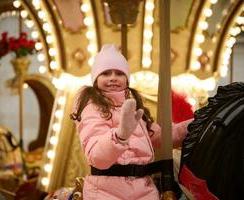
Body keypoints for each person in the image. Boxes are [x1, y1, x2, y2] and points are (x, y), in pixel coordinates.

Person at [70, 44, 192, 200]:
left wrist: (196, 124)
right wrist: (120, 135)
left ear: (126, 79)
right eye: (106, 73)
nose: (113, 77)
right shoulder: (92, 108)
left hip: (143, 189)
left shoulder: (132, 106)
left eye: (119, 73)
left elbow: (162, 137)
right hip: (106, 191)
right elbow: (97, 156)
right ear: (96, 79)